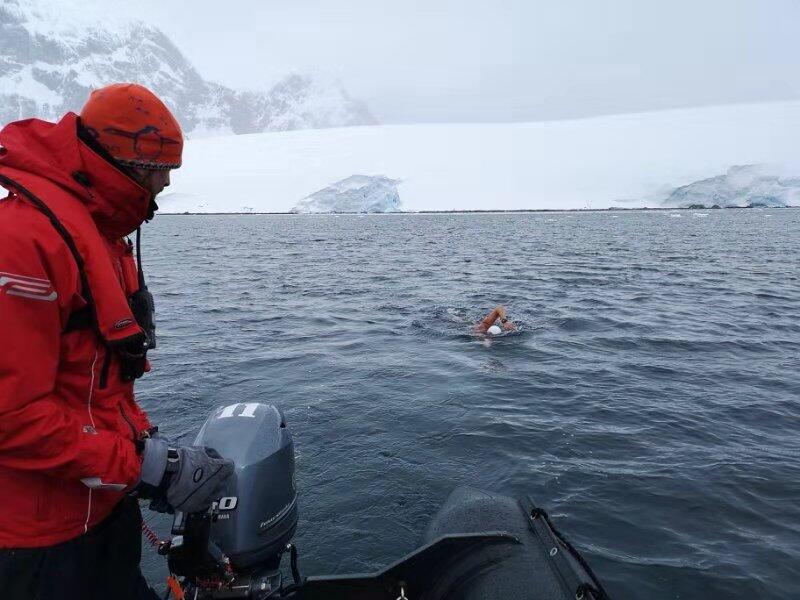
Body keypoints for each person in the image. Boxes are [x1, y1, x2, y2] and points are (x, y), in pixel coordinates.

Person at [0, 83, 234, 600]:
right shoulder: (20, 244)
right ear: (122, 164)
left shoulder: (102, 236)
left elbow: (96, 388)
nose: (167, 184)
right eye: (160, 171)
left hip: (101, 513)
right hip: (37, 543)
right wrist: (148, 467)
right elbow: (11, 415)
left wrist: (156, 454)